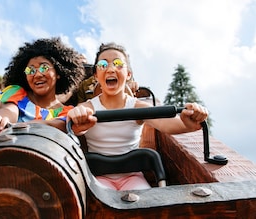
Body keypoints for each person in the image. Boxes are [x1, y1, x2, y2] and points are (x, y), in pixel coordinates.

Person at [67, 42, 208, 191]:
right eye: (103, 64)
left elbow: (166, 123)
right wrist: (76, 118)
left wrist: (189, 123)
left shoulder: (137, 107)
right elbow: (74, 121)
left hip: (132, 177)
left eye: (118, 64)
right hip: (98, 176)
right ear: (96, 75)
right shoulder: (89, 107)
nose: (110, 69)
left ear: (128, 74)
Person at [0, 37, 85, 134]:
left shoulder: (67, 112)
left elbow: (59, 125)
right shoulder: (17, 94)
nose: (37, 74)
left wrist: (13, 126)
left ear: (59, 73)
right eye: (30, 70)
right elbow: (8, 112)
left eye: (44, 67)